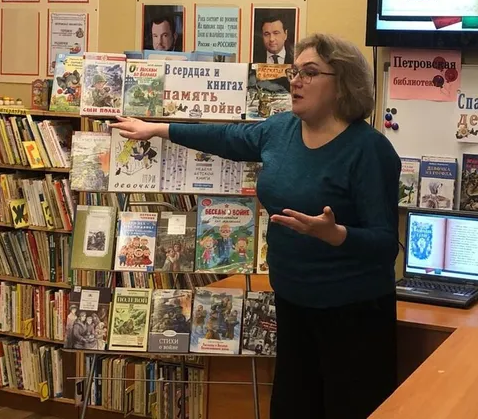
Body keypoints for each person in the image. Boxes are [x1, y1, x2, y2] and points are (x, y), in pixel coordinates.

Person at [111, 33, 400, 419]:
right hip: (293, 301)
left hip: (352, 312)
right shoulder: (280, 130)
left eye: (310, 72)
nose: (295, 81)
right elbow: (226, 137)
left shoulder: (369, 149)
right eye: (294, 71)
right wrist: (159, 129)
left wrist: (336, 235)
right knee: (293, 408)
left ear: (343, 83)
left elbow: (385, 244)